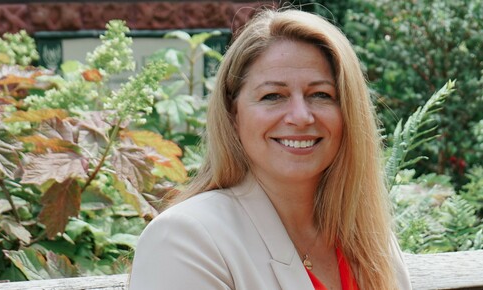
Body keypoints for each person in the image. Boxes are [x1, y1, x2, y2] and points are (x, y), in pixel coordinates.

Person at [129, 9, 411, 290]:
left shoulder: (370, 241)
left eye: (321, 95)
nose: (301, 116)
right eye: (273, 96)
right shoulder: (184, 239)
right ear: (233, 114)